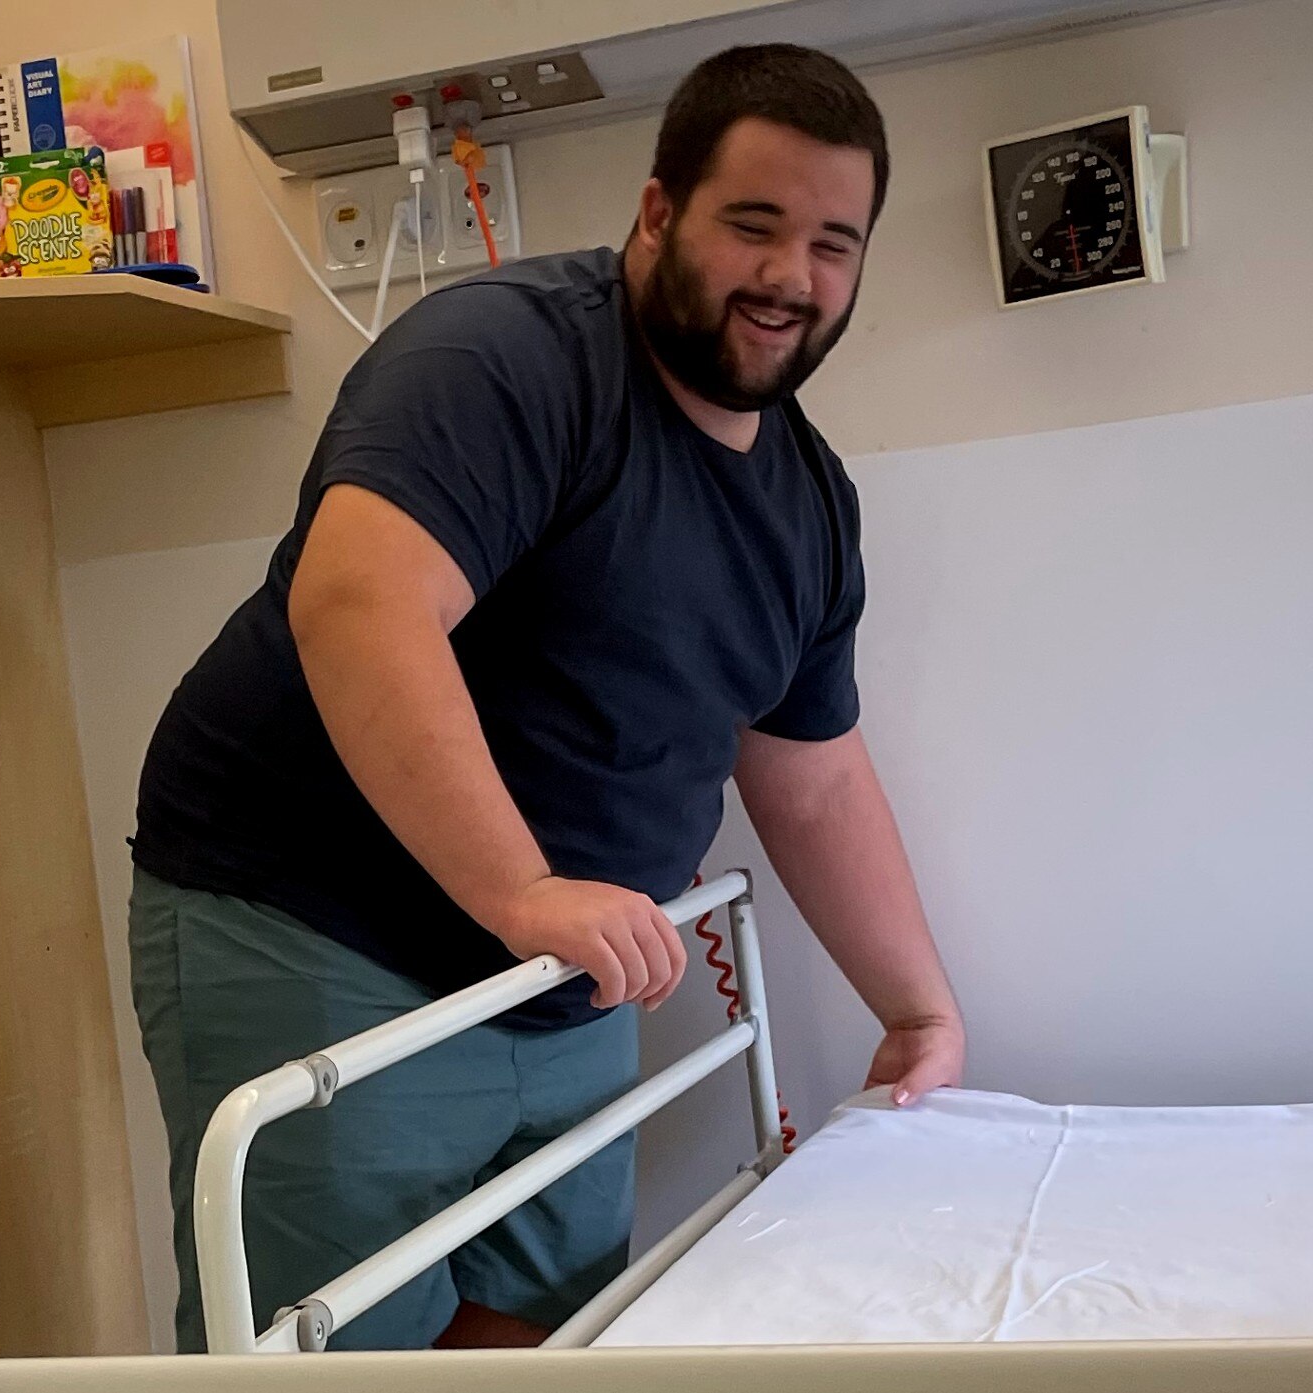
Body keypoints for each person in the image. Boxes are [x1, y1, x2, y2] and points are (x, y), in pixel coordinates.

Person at [128, 42, 964, 1354]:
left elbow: (811, 776)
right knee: (336, 1357)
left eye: (831, 244)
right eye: (753, 224)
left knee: (543, 1338)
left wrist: (916, 1009)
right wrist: (521, 888)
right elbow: (362, 603)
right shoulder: (503, 362)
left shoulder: (803, 506)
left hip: (567, 973)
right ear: (654, 212)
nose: (787, 277)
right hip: (321, 927)